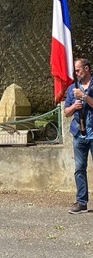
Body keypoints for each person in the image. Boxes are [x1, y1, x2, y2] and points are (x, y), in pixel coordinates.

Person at [64, 57, 93, 214]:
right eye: (75, 71)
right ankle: (81, 202)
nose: (76, 74)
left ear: (87, 69)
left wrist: (84, 97)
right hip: (79, 134)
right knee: (79, 168)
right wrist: (74, 106)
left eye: (78, 70)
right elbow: (66, 112)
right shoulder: (71, 89)